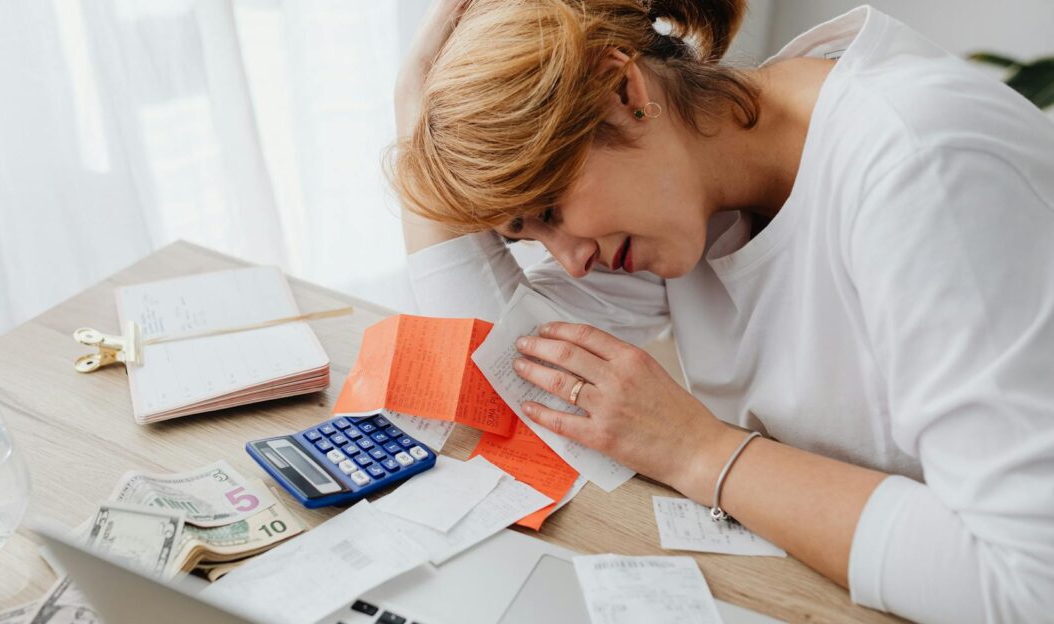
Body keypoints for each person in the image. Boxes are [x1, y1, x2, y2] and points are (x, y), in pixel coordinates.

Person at [389, 1, 1054, 623]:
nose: (569, 261)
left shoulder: (925, 166)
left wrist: (698, 452)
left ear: (622, 94)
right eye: (529, 235)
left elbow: (1028, 581)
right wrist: (414, 126)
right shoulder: (701, 184)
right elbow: (514, 376)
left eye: (553, 212)